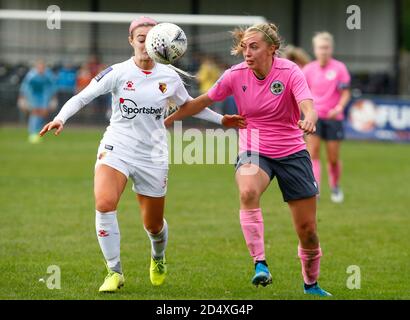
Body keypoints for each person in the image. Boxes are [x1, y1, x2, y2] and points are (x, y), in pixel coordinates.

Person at [39, 16, 245, 293]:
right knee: (104, 202)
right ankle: (114, 271)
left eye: (152, 40)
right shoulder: (118, 72)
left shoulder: (169, 77)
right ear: (131, 41)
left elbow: (190, 106)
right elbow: (83, 96)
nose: (146, 45)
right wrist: (61, 117)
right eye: (141, 39)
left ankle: (158, 258)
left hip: (153, 155)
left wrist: (222, 121)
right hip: (117, 146)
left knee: (154, 224)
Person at [165, 22, 332, 297]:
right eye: (244, 47)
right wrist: (170, 119)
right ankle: (260, 264)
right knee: (247, 190)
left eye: (254, 46)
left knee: (308, 231)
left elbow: (308, 106)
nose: (247, 52)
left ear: (272, 49)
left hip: (292, 151)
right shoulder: (235, 74)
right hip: (254, 148)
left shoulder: (290, 71)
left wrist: (309, 120)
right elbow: (202, 101)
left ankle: (311, 284)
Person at [303, 32, 351, 203]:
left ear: (331, 49)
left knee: (333, 158)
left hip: (333, 118)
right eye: (320, 48)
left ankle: (335, 186)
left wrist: (339, 108)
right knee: (313, 153)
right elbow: (302, 94)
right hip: (314, 118)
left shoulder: (339, 68)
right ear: (315, 49)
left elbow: (345, 93)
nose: (323, 51)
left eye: (326, 47)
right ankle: (315, 188)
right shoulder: (308, 70)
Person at [19, 59, 56, 143]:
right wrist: (22, 98)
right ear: (36, 67)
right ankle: (32, 132)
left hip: (44, 96)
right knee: (35, 112)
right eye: (39, 67)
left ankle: (38, 131)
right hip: (32, 95)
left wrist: (53, 98)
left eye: (42, 67)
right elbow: (25, 86)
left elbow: (53, 86)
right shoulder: (31, 75)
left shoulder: (48, 74)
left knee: (43, 113)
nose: (41, 69)